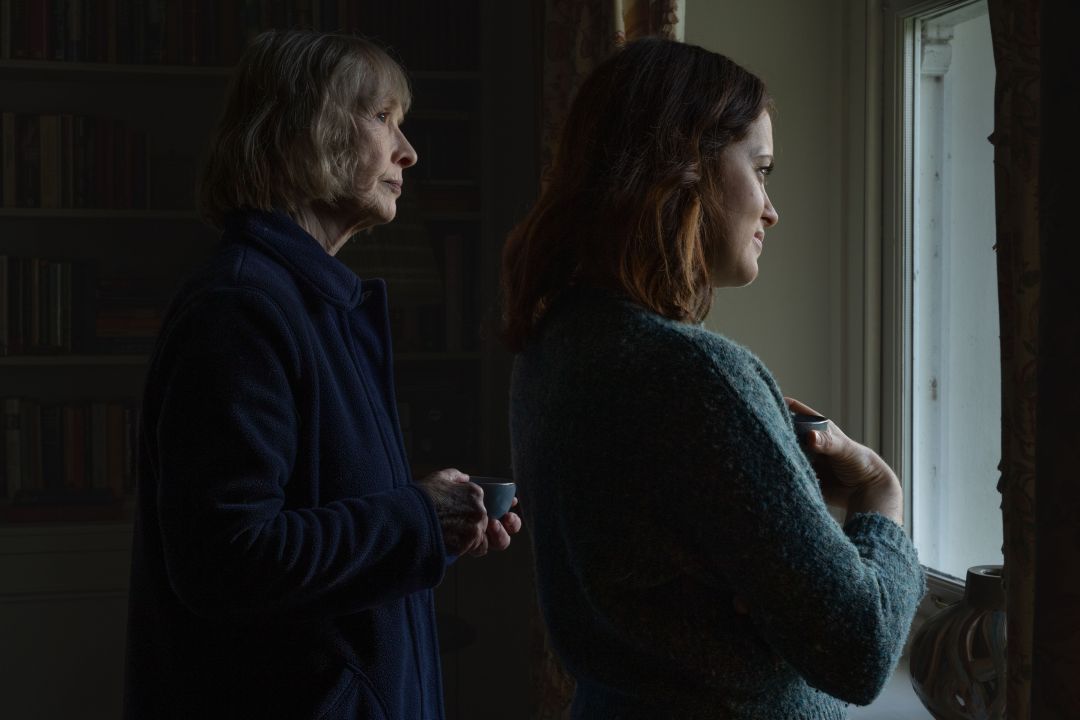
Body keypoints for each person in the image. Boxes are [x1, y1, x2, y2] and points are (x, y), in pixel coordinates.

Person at [501, 37, 924, 719]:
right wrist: (881, 495)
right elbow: (861, 647)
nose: (771, 208)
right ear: (684, 165)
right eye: (760, 168)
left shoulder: (555, 345)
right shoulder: (692, 376)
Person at [124, 30, 521, 720]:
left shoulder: (310, 302)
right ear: (302, 132)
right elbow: (228, 560)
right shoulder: (241, 307)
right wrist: (418, 517)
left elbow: (319, 520)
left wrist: (437, 525)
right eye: (383, 118)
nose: (408, 151)